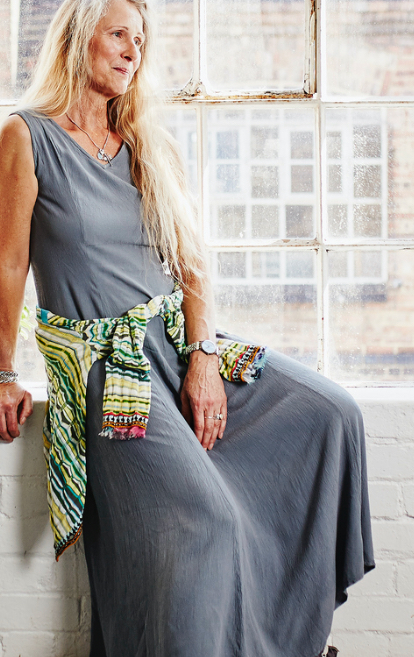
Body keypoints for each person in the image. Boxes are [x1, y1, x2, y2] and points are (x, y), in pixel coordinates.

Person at [0, 0, 375, 655]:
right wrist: (2, 370)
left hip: (181, 346)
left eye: (140, 40)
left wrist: (204, 358)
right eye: (119, 34)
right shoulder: (26, 137)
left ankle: (296, 638)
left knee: (333, 414)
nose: (133, 50)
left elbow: (191, 260)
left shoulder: (148, 143)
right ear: (79, 37)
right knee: (210, 521)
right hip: (113, 373)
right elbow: (7, 262)